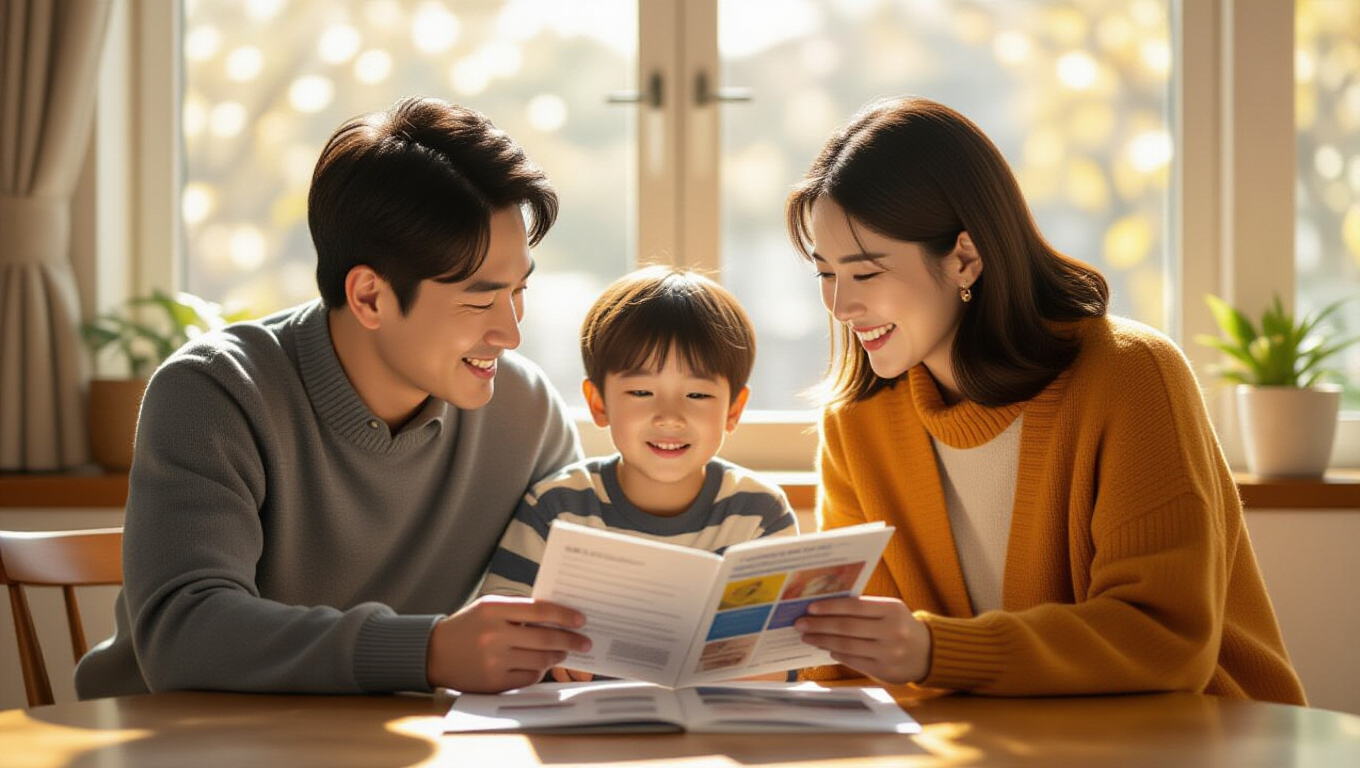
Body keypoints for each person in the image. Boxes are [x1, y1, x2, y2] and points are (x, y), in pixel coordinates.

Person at [785, 96, 1307, 705]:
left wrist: (934, 651)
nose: (840, 306)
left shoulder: (1132, 375)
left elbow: (1164, 639)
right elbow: (857, 670)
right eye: (825, 274)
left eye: (866, 272)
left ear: (964, 257)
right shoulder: (855, 423)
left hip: (1198, 739)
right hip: (996, 747)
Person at [75, 96, 592, 699]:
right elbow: (183, 633)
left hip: (380, 745)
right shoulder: (215, 392)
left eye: (519, 290)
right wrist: (427, 651)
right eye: (480, 300)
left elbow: (582, 596)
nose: (510, 332)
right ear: (370, 296)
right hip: (175, 747)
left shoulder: (524, 413)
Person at [479, 266, 799, 680]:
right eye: (641, 392)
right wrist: (545, 657)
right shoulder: (557, 507)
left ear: (733, 410)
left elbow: (783, 662)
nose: (669, 416)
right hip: (584, 730)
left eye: (698, 394)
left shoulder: (759, 513)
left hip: (714, 732)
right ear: (598, 403)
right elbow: (497, 633)